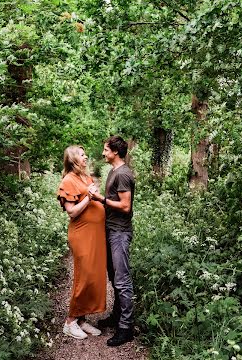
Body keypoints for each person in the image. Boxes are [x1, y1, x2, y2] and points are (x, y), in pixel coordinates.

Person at [57, 145, 106, 339]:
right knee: (84, 277)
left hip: (95, 235)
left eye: (85, 154)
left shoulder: (86, 178)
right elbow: (72, 212)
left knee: (93, 276)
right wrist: (89, 197)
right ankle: (70, 322)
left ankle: (81, 319)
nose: (85, 157)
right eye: (82, 155)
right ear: (72, 160)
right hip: (82, 234)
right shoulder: (68, 180)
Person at [92, 135, 135, 347]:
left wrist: (101, 199)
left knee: (122, 280)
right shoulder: (113, 172)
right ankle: (117, 316)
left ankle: (126, 328)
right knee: (114, 277)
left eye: (106, 150)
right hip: (110, 231)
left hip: (120, 233)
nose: (103, 153)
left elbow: (125, 206)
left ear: (115, 151)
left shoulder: (124, 175)